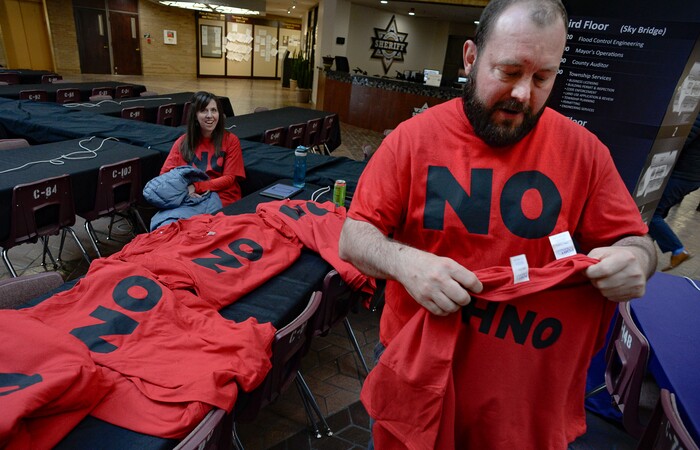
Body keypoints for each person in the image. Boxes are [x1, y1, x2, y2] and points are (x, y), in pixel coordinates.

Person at [338, 0, 657, 448]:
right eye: (509, 72)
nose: (524, 94)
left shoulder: (584, 152)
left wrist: (637, 261)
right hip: (418, 374)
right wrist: (406, 264)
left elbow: (637, 243)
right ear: (470, 58)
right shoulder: (412, 141)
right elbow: (353, 237)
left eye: (543, 77)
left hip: (522, 398)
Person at [160, 91, 245, 207]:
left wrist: (196, 187)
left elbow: (229, 178)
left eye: (214, 110)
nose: (210, 115)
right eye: (204, 110)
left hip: (222, 197)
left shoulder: (231, 140)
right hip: (189, 196)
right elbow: (164, 175)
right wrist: (185, 192)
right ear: (195, 115)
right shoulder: (182, 142)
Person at [648, 113, 700, 270]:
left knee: (651, 213)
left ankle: (678, 250)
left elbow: (684, 138)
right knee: (660, 210)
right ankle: (646, 250)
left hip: (682, 174)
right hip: (690, 176)